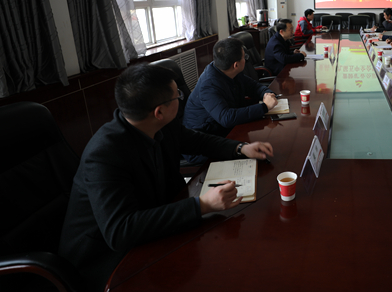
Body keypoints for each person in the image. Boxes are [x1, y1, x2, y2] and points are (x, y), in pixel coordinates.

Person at [59, 64, 274, 291]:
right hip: (106, 258)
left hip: (153, 225)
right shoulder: (104, 155)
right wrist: (202, 205)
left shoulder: (158, 124)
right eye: (177, 96)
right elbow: (120, 231)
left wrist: (240, 148)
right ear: (159, 112)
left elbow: (197, 140)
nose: (181, 98)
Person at [183, 38, 277, 138]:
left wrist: (267, 94)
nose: (246, 60)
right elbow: (226, 118)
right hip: (204, 137)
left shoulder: (229, 71)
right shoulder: (208, 85)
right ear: (236, 65)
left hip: (222, 128)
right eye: (244, 57)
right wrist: (264, 107)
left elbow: (253, 86)